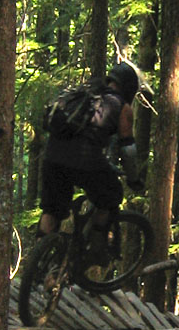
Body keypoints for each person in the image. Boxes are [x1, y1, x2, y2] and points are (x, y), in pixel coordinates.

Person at [37, 60, 147, 264]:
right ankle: (97, 248)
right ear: (129, 87)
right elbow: (128, 149)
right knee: (111, 196)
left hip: (52, 157)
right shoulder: (122, 107)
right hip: (84, 161)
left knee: (51, 210)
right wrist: (133, 179)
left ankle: (39, 263)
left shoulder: (85, 94)